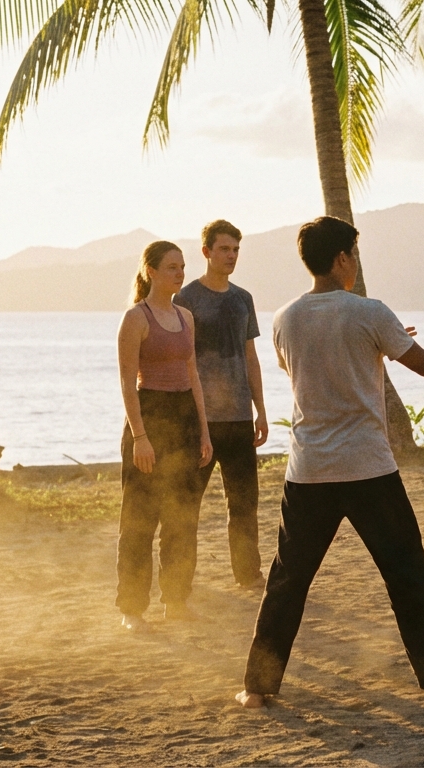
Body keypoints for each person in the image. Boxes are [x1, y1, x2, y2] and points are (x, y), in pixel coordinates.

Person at [234, 216, 424, 708]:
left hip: (308, 470)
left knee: (288, 580)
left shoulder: (285, 317)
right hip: (367, 467)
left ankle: (257, 687)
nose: (356, 263)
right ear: (342, 258)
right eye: (355, 254)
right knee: (407, 573)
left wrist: (382, 338)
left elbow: (313, 365)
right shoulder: (369, 312)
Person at [115, 241, 214, 632]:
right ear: (150, 271)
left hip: (185, 420)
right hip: (149, 417)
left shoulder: (186, 317)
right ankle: (132, 609)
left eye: (183, 266)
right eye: (172, 267)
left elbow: (194, 378)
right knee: (139, 520)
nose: (180, 273)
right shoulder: (135, 318)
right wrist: (140, 436)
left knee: (182, 518)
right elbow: (126, 383)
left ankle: (176, 601)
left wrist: (204, 432)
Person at [175, 220, 268, 589]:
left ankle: (249, 575)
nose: (231, 256)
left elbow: (251, 356)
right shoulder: (185, 299)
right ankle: (180, 583)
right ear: (207, 252)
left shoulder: (243, 299)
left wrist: (260, 408)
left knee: (244, 505)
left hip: (239, 417)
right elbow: (182, 361)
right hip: (201, 420)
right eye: (224, 249)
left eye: (236, 250)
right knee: (187, 506)